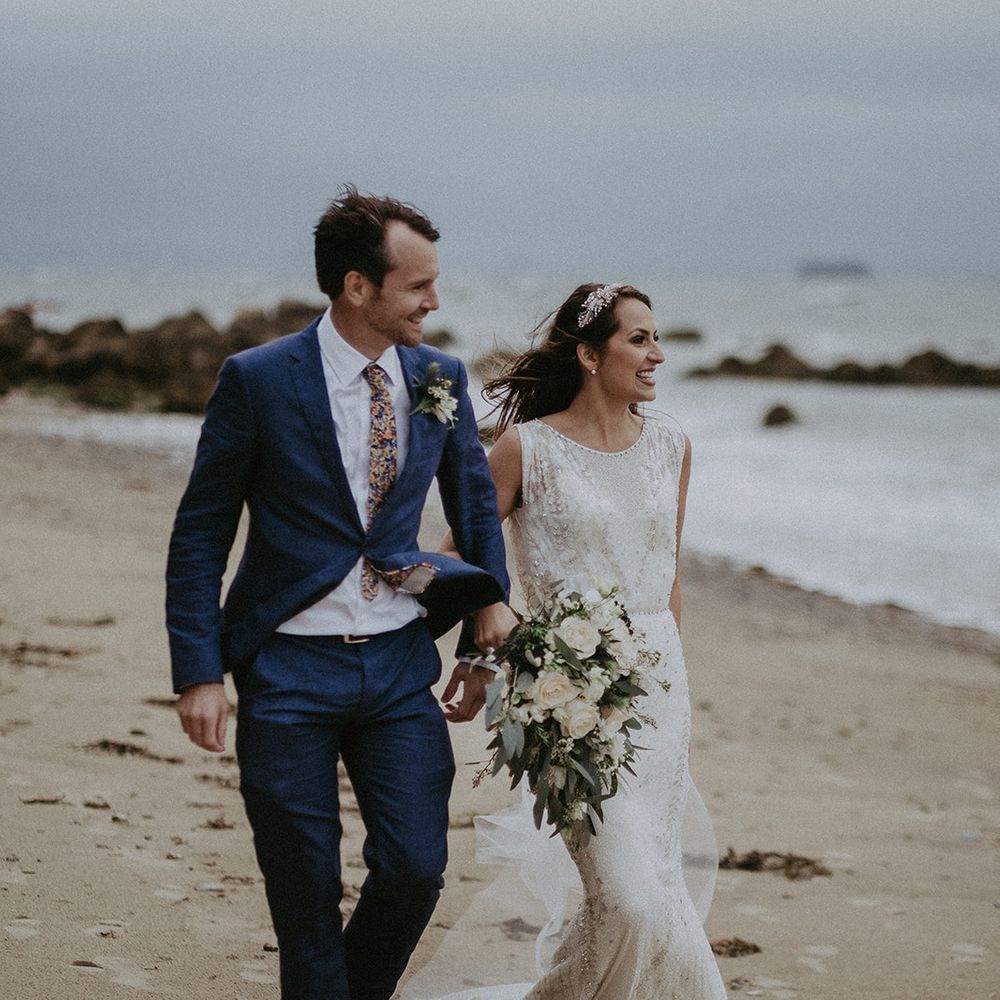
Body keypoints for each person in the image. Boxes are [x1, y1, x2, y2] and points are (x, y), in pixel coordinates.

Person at [165, 187, 512, 1000]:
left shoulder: (441, 377)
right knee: (304, 894)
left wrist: (481, 630)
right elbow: (200, 534)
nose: (435, 300)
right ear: (359, 287)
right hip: (285, 670)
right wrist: (199, 672)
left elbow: (475, 512)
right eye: (418, 286)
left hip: (398, 666)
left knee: (415, 869)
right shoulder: (256, 380)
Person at [418, 283, 727, 999]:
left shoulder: (672, 448)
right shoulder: (528, 448)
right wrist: (477, 655)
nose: (657, 354)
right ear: (590, 355)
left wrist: (671, 686)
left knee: (648, 891)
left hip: (659, 690)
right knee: (628, 899)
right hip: (563, 697)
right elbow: (462, 558)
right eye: (639, 339)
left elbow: (669, 573)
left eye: (657, 338)